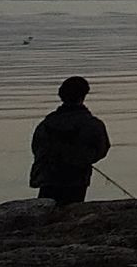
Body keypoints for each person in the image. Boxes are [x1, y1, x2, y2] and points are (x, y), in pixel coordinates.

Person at [29, 75, 110, 206]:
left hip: (48, 178)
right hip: (77, 179)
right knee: (72, 209)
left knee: (47, 210)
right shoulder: (92, 124)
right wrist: (82, 159)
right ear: (84, 95)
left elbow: (36, 148)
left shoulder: (47, 123)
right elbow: (102, 149)